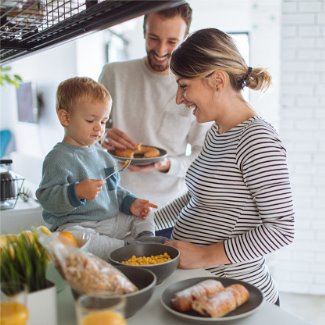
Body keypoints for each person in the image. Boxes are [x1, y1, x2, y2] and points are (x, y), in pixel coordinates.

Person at [155, 28, 295, 305]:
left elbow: (282, 228)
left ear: (217, 80)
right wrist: (149, 222)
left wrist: (204, 255)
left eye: (184, 86)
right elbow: (198, 198)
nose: (179, 99)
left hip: (237, 296)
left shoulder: (257, 139)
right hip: (206, 286)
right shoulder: (217, 131)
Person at [36, 77, 165, 260]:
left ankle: (145, 240)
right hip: (78, 225)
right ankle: (129, 248)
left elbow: (114, 192)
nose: (99, 128)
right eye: (91, 120)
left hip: (110, 221)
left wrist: (131, 203)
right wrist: (77, 192)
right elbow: (47, 199)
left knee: (146, 212)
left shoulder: (103, 155)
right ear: (65, 117)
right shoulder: (58, 158)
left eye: (104, 121)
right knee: (74, 238)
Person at [98, 3, 210, 214]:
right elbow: (87, 134)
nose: (160, 50)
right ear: (144, 31)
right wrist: (102, 137)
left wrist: (166, 165)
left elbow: (203, 155)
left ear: (185, 38)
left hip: (169, 211)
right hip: (116, 205)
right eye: (154, 38)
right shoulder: (113, 74)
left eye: (172, 42)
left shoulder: (195, 87)